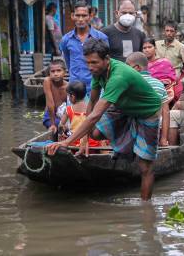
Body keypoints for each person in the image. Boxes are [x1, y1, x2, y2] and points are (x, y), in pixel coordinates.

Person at [46, 38, 162, 200]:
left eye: (94, 62)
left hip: (146, 112)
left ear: (107, 59)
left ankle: (146, 210)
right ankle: (127, 144)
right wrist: (84, 140)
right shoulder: (98, 71)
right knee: (93, 132)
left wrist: (66, 142)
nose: (90, 67)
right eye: (87, 62)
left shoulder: (118, 76)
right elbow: (92, 102)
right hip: (123, 106)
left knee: (145, 167)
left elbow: (95, 115)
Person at [60, 1, 109, 94]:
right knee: (75, 109)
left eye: (84, 15)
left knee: (96, 109)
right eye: (77, 15)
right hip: (74, 88)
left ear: (90, 16)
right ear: (72, 16)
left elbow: (106, 63)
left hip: (97, 87)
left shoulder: (101, 38)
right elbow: (68, 62)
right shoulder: (66, 39)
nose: (80, 19)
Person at [126, 52, 171, 147]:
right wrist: (163, 139)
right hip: (152, 132)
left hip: (130, 134)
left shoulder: (128, 83)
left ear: (137, 68)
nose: (125, 69)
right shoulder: (159, 84)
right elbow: (166, 112)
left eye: (127, 66)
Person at [58, 81, 104, 156]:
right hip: (93, 142)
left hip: (74, 142)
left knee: (64, 135)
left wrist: (62, 132)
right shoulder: (92, 108)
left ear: (72, 97)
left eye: (68, 96)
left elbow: (60, 126)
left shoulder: (68, 109)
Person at [142, 38, 179, 103]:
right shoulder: (141, 66)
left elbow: (172, 80)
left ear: (155, 48)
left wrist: (159, 84)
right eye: (144, 48)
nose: (147, 50)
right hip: (147, 93)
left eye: (149, 47)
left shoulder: (164, 62)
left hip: (165, 91)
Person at [42, 59, 68, 133]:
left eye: (59, 70)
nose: (55, 74)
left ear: (64, 72)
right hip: (50, 117)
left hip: (63, 116)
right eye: (52, 71)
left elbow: (70, 107)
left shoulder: (68, 86)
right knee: (62, 126)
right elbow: (50, 104)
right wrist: (53, 124)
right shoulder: (47, 81)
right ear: (49, 73)